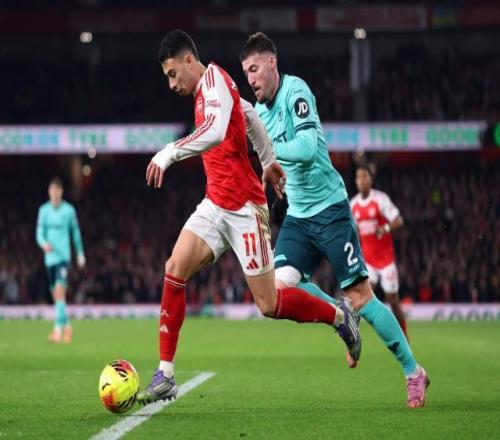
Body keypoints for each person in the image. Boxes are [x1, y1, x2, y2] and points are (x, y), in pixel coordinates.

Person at [137, 30, 360, 405]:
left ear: (190, 61)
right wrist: (269, 160)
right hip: (215, 204)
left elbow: (214, 132)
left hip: (244, 209)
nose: (171, 84)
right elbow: (250, 116)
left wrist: (169, 152)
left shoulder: (215, 82)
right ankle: (166, 375)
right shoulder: (209, 91)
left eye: (173, 74)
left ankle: (339, 316)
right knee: (174, 268)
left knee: (269, 304)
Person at [239, 32, 429, 408]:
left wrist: (268, 152)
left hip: (330, 211)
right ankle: (339, 314)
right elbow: (273, 165)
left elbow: (308, 148)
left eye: (254, 69)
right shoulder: (258, 112)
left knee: (362, 297)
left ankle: (413, 371)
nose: (251, 79)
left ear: (272, 62)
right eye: (246, 73)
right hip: (297, 217)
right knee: (276, 291)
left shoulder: (296, 92)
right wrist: (272, 187)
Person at [350, 164, 409, 339]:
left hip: (386, 260)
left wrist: (385, 228)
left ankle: (404, 336)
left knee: (392, 299)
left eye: (364, 177)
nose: (361, 181)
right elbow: (353, 231)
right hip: (367, 261)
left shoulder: (380, 199)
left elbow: (398, 220)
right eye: (358, 177)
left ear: (371, 179)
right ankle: (352, 340)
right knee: (361, 299)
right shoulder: (353, 205)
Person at [36, 177, 86, 343]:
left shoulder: (69, 210)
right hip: (49, 259)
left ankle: (57, 330)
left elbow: (75, 232)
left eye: (57, 190)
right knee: (57, 296)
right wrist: (44, 244)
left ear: (61, 192)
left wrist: (80, 253)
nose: (55, 193)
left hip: (63, 257)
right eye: (52, 190)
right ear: (49, 192)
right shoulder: (44, 210)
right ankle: (68, 327)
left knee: (59, 292)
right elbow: (39, 233)